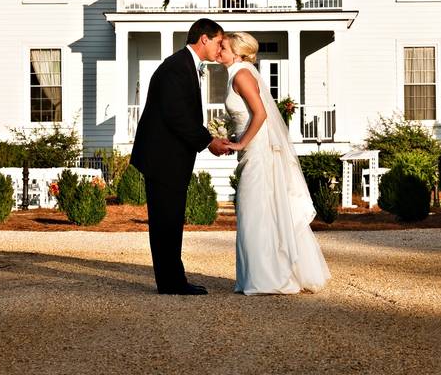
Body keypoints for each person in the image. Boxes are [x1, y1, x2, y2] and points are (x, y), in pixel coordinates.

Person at [219, 31, 330, 294]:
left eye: (223, 46)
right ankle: (257, 276)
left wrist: (241, 142)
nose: (219, 49)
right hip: (252, 151)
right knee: (256, 210)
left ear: (236, 52)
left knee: (253, 211)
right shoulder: (238, 73)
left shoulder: (243, 74)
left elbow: (261, 113)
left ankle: (266, 279)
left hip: (258, 152)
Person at [130, 18, 231, 295]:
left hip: (169, 157)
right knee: (166, 221)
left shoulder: (184, 65)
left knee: (170, 220)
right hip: (163, 158)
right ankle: (171, 282)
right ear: (204, 39)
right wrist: (208, 141)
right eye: (219, 42)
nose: (220, 48)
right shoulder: (176, 68)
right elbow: (177, 116)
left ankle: (172, 279)